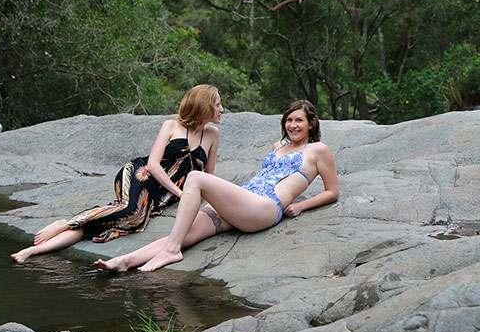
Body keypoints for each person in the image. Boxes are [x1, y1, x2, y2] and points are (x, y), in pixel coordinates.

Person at [94, 99, 339, 272]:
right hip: (243, 201)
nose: (293, 125)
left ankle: (169, 253)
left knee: (196, 178)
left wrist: (302, 206)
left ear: (312, 124)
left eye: (299, 121)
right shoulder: (278, 147)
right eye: (289, 120)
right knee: (181, 234)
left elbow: (332, 191)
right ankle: (126, 261)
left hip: (265, 207)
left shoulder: (318, 150)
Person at [11, 84, 223, 263]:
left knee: (127, 222)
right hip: (141, 176)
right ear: (204, 106)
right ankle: (65, 223)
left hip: (160, 198)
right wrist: (180, 194)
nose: (222, 109)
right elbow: (152, 165)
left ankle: (34, 251)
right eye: (217, 104)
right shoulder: (171, 126)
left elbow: (208, 176)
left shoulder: (212, 134)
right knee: (127, 208)